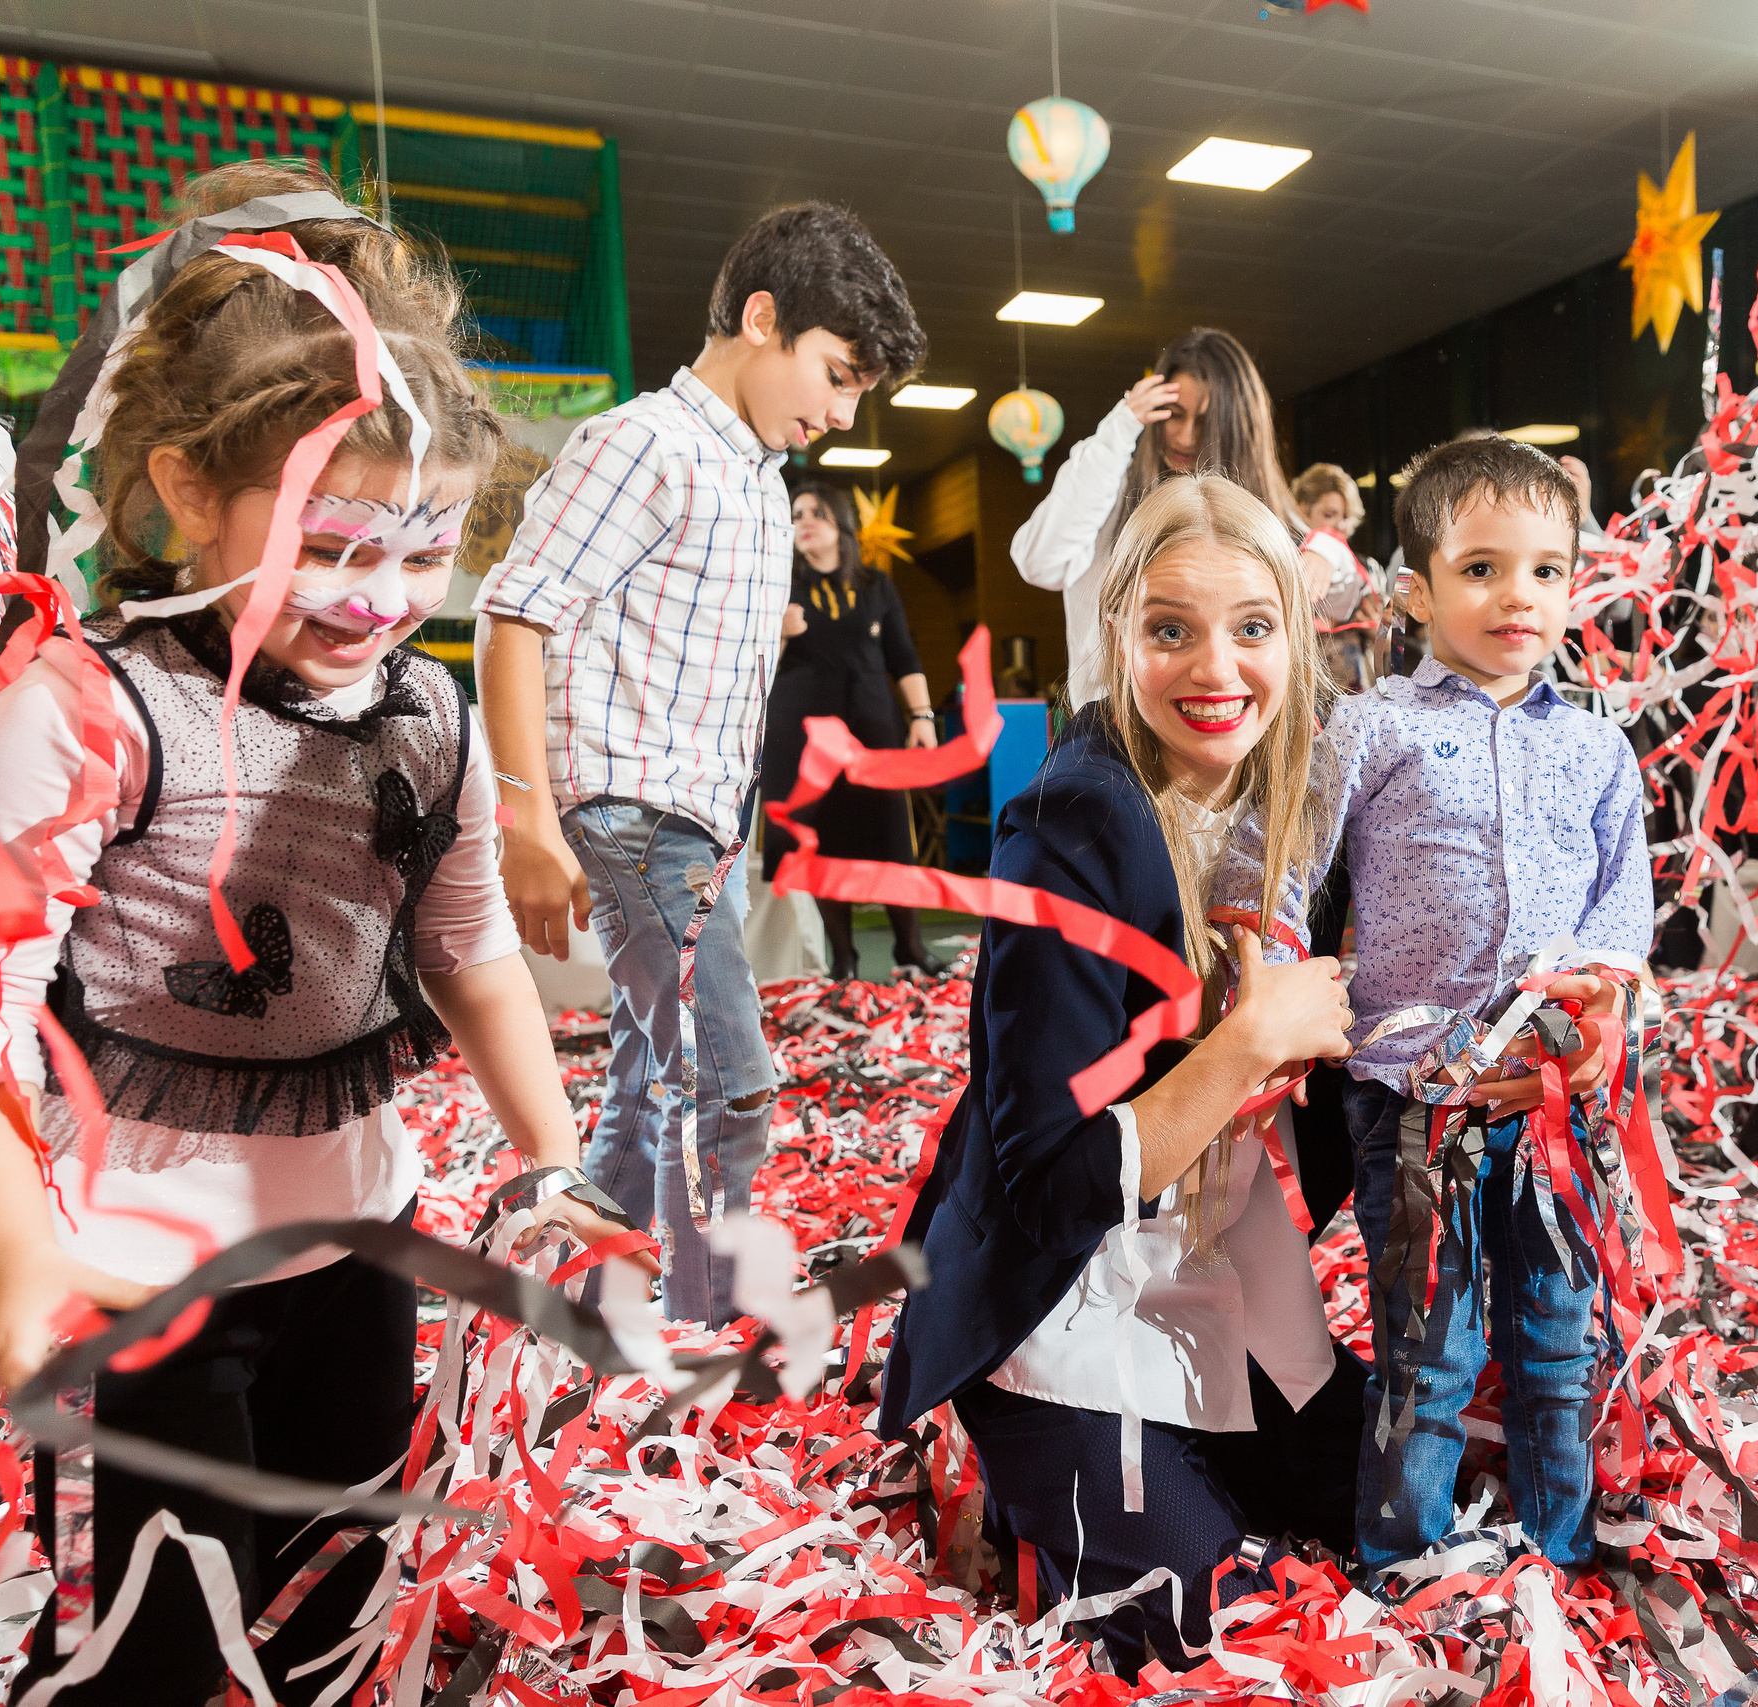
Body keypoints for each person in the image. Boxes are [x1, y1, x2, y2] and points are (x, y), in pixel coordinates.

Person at [0, 176, 647, 1706]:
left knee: (338, 1581)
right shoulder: (85, 710)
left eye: (427, 556)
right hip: (135, 1263)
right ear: (182, 494)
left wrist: (548, 1157)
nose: (387, 598)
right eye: (335, 544)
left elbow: (473, 946)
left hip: (353, 1233)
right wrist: (18, 1262)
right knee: (148, 1622)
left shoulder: (434, 714)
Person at [878, 477, 1364, 1679]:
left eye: (1253, 627)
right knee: (1190, 1618)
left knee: (1377, 1513)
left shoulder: (1306, 797)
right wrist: (1249, 1041)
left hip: (1224, 1262)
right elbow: (1050, 1183)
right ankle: (1009, 1460)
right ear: (1116, 637)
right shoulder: (1070, 824)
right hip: (1066, 1285)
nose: (1218, 669)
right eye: (1170, 629)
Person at [477, 201, 926, 1324]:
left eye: (859, 392)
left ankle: (607, 1291)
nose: (840, 408)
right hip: (627, 815)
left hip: (699, 829)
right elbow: (514, 615)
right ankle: (702, 1307)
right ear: (761, 318)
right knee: (728, 1075)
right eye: (836, 374)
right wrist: (525, 820)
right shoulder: (643, 444)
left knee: (656, 1074)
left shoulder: (761, 482)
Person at [1216, 434, 1653, 1580]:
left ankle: (1555, 1559)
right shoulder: (1372, 728)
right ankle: (1402, 1562)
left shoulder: (1600, 749)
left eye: (1547, 570)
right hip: (1414, 1104)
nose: (1520, 595)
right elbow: (1275, 864)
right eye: (1481, 568)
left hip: (1556, 1110)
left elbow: (1624, 913)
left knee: (1559, 1344)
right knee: (1429, 1350)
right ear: (1414, 591)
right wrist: (1267, 970)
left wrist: (1601, 1016)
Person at [1012, 327, 1299, 707]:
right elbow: (1040, 562)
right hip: (1114, 738)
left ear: (1234, 427)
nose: (1183, 437)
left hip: (1226, 725)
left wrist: (1328, 550)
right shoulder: (1110, 489)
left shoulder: (1262, 517)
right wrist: (1120, 426)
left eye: (1205, 422)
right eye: (1173, 414)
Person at [757, 480, 944, 979]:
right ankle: (844, 958)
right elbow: (750, 674)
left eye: (817, 512)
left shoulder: (876, 585)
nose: (805, 522)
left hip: (871, 731)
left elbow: (903, 657)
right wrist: (776, 630)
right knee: (820, 846)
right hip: (801, 739)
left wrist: (922, 717)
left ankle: (911, 947)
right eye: (796, 514)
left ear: (841, 522)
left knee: (888, 840)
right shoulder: (778, 586)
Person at [1292, 460, 1378, 694]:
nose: (1339, 525)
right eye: (1329, 514)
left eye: (1345, 516)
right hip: (1303, 701)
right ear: (1302, 509)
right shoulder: (1284, 566)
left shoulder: (1371, 569)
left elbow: (1402, 652)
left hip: (1362, 700)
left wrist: (1380, 631)